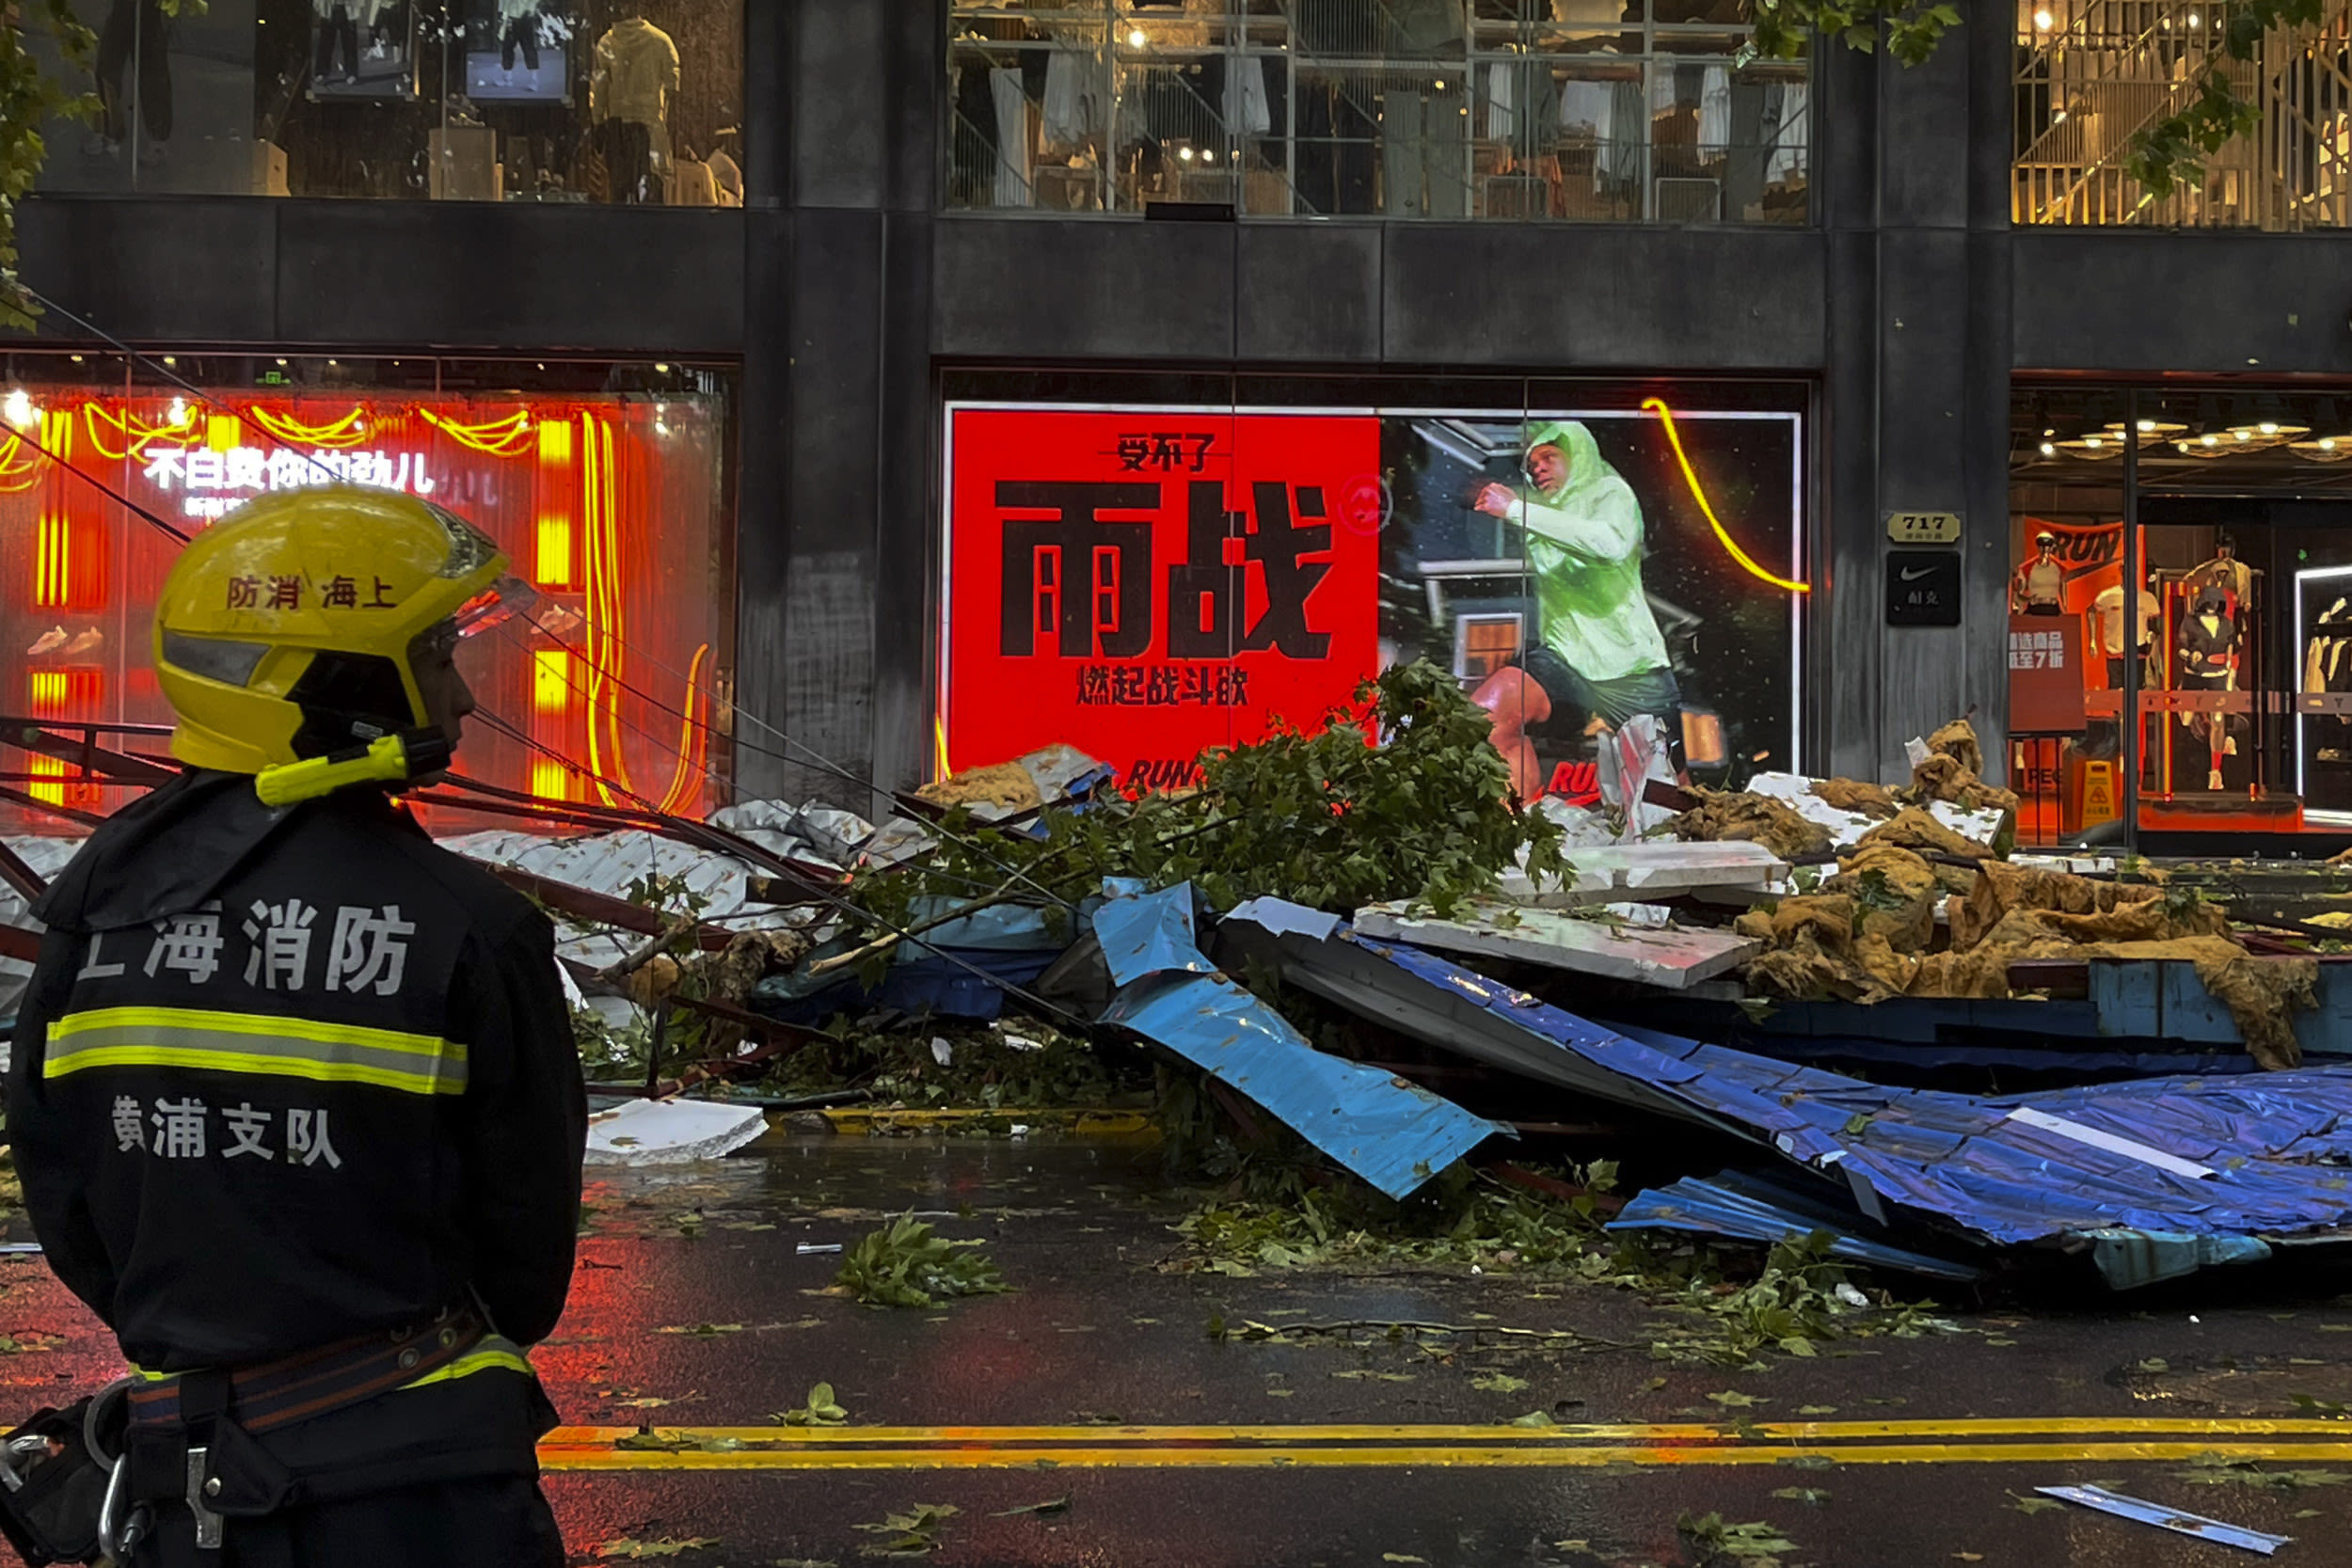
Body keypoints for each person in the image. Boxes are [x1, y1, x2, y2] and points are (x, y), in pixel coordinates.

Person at [6, 489, 584, 1565]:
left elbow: (71, 1204)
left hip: (191, 1495)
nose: (458, 693)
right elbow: (525, 1269)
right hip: (427, 1497)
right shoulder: (472, 928)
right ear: (341, 684)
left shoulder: (92, 912)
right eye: (433, 655)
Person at [1467, 420, 1680, 800]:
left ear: (1578, 456)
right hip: (1565, 659)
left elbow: (1610, 545)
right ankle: (1521, 837)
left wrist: (1516, 509)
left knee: (1667, 792)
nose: (1539, 469)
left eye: (1549, 457)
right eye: (1532, 465)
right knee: (1487, 717)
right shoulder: (1540, 516)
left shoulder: (1609, 493)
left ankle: (1691, 849)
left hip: (1629, 668)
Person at [2011, 530, 2064, 614]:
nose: (2045, 549)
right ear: (2038, 547)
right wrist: (2028, 599)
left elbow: (2063, 590)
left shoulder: (2059, 567)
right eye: (2042, 546)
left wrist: (2064, 611)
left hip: (2053, 609)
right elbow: (2019, 594)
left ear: (2052, 548)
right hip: (2034, 608)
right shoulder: (2027, 567)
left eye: (2048, 546)